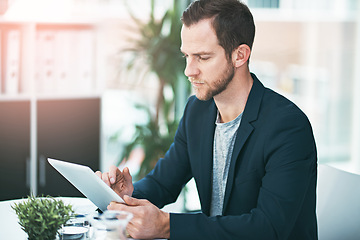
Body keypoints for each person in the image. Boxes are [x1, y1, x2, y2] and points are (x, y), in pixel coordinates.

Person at [96, 0, 318, 239]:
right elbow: (163, 183)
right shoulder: (198, 111)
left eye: (202, 57)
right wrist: (126, 195)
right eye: (186, 56)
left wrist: (167, 226)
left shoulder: (287, 127)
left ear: (240, 55)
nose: (189, 71)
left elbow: (268, 228)